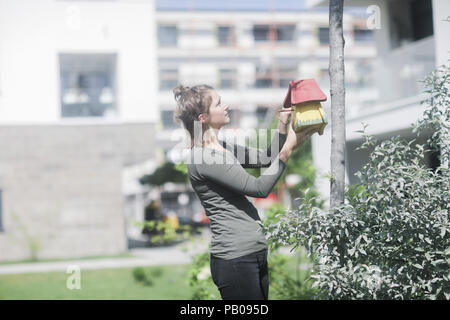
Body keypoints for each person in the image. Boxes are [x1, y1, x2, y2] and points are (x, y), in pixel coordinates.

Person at [173, 84, 318, 300]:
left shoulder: (220, 146)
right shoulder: (203, 157)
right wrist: (288, 149)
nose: (226, 105)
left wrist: (282, 125)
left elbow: (266, 158)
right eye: (219, 103)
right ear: (203, 118)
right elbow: (259, 188)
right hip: (236, 260)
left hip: (251, 253)